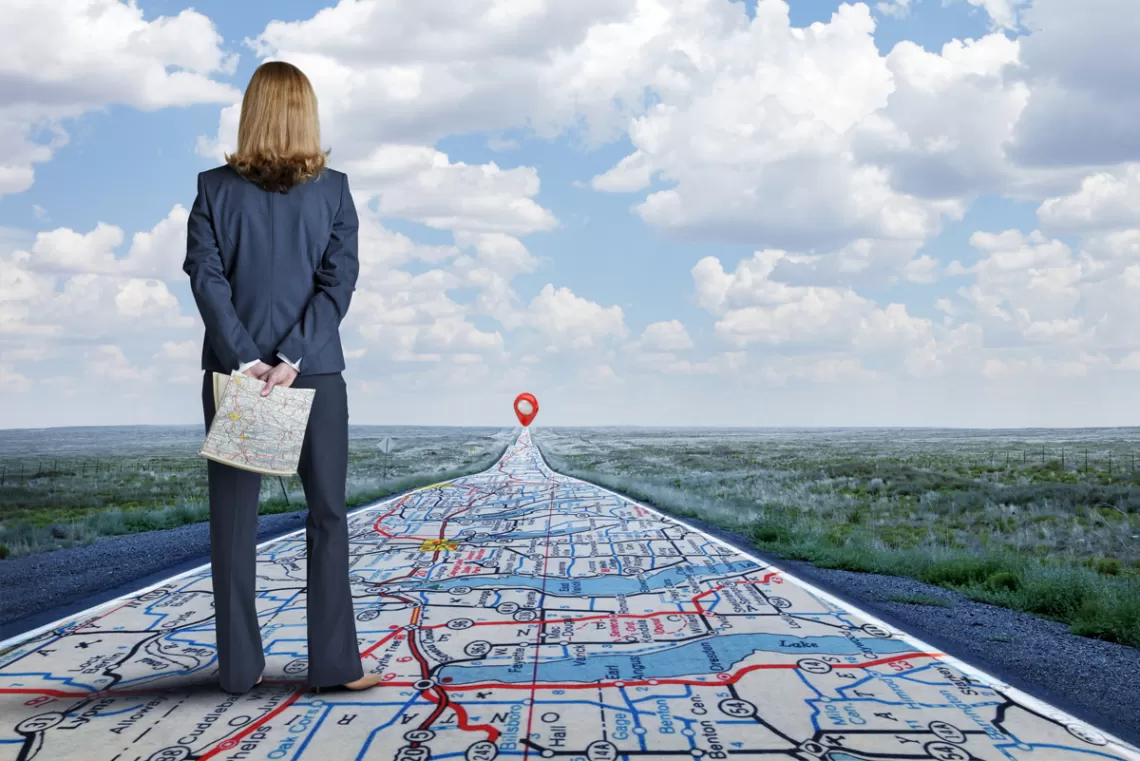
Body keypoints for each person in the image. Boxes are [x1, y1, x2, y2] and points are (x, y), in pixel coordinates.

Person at [183, 60, 378, 694]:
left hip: (234, 377)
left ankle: (239, 670)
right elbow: (337, 285)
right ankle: (335, 666)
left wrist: (246, 359)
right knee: (325, 518)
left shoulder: (213, 189)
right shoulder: (336, 191)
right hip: (316, 373)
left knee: (233, 526)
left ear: (250, 112)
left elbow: (205, 281)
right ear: (308, 113)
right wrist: (291, 357)